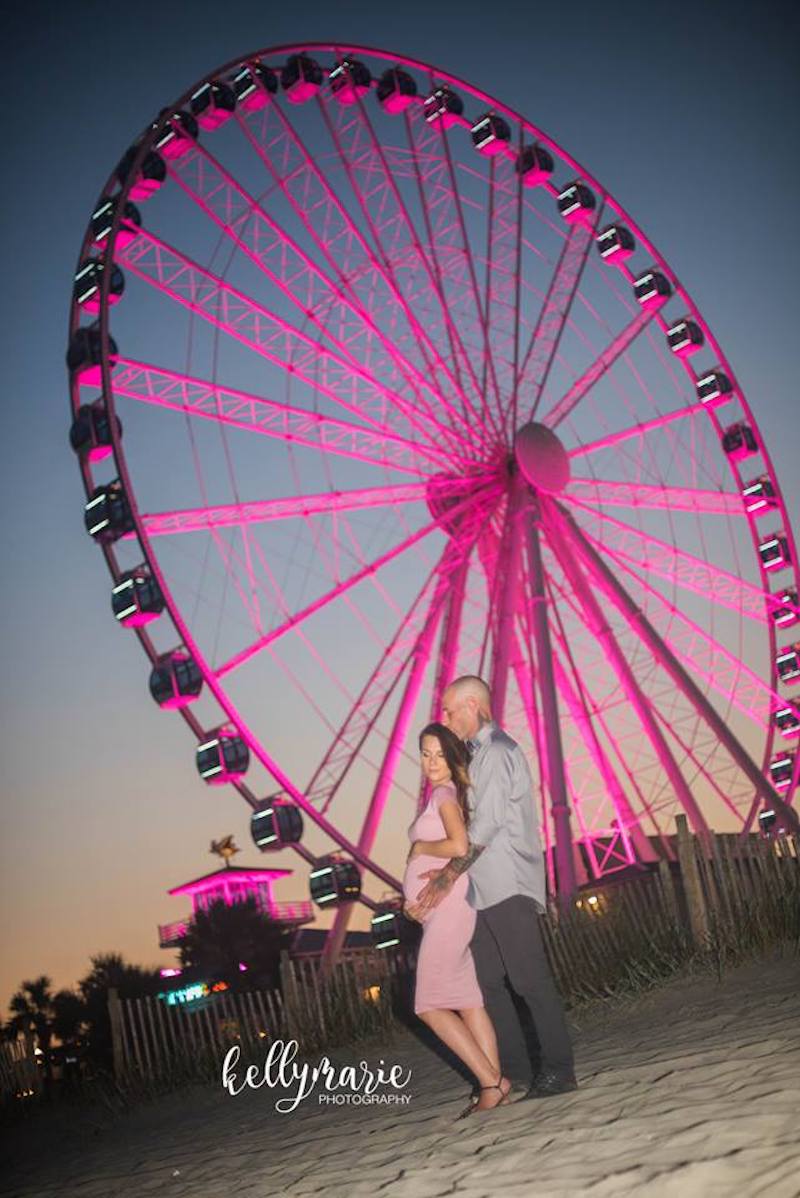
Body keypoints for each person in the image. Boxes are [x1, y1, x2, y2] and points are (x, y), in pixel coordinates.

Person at [406, 676, 576, 1098]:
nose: (444, 718)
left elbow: (484, 827)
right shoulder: (476, 758)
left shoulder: (497, 753)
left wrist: (445, 875)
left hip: (507, 884)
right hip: (481, 891)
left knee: (529, 979)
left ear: (472, 705)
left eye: (449, 710)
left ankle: (558, 1070)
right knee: (489, 983)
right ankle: (515, 1071)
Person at [403, 722, 511, 1114]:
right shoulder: (446, 793)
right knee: (467, 1000)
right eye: (425, 754)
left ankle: (490, 1081)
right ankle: (495, 1083)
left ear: (453, 757)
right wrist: (412, 901)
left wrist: (418, 845)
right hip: (444, 907)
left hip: (451, 907)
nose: (432, 762)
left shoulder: (446, 794)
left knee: (428, 1004)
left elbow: (459, 845)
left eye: (439, 754)